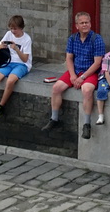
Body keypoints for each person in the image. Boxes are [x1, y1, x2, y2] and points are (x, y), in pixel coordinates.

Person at [43, 11, 105, 139]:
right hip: (75, 70)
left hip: (90, 71)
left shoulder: (97, 39)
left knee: (87, 90)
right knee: (56, 88)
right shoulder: (72, 38)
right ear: (77, 25)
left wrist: (82, 77)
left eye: (87, 22)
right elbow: (69, 58)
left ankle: (86, 124)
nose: (85, 25)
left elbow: (97, 63)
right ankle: (54, 118)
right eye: (82, 23)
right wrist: (72, 75)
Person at [0, 15, 33, 120]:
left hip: (22, 64)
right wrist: (0, 46)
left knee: (10, 81)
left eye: (15, 29)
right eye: (11, 28)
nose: (13, 31)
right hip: (8, 62)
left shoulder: (26, 39)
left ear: (21, 28)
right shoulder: (8, 34)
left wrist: (16, 49)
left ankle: (1, 106)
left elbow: (25, 59)